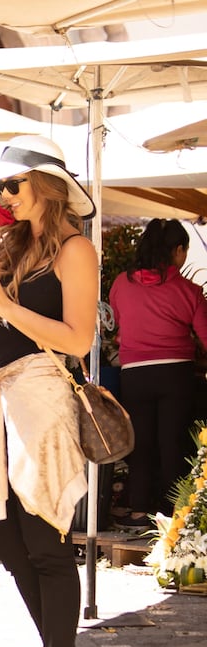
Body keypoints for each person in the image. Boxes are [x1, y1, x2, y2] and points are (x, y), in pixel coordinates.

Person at [0, 134, 99, 647]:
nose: (4, 196)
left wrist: (5, 302)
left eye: (12, 185)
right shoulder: (13, 248)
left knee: (44, 541)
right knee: (8, 540)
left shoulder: (75, 250)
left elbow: (79, 340)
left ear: (45, 185)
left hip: (41, 396)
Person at [109, 218, 207, 529]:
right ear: (177, 250)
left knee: (140, 442)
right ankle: (173, 516)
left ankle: (138, 511)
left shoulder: (121, 284)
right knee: (172, 443)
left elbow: (118, 323)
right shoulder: (188, 290)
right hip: (175, 373)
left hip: (134, 373)